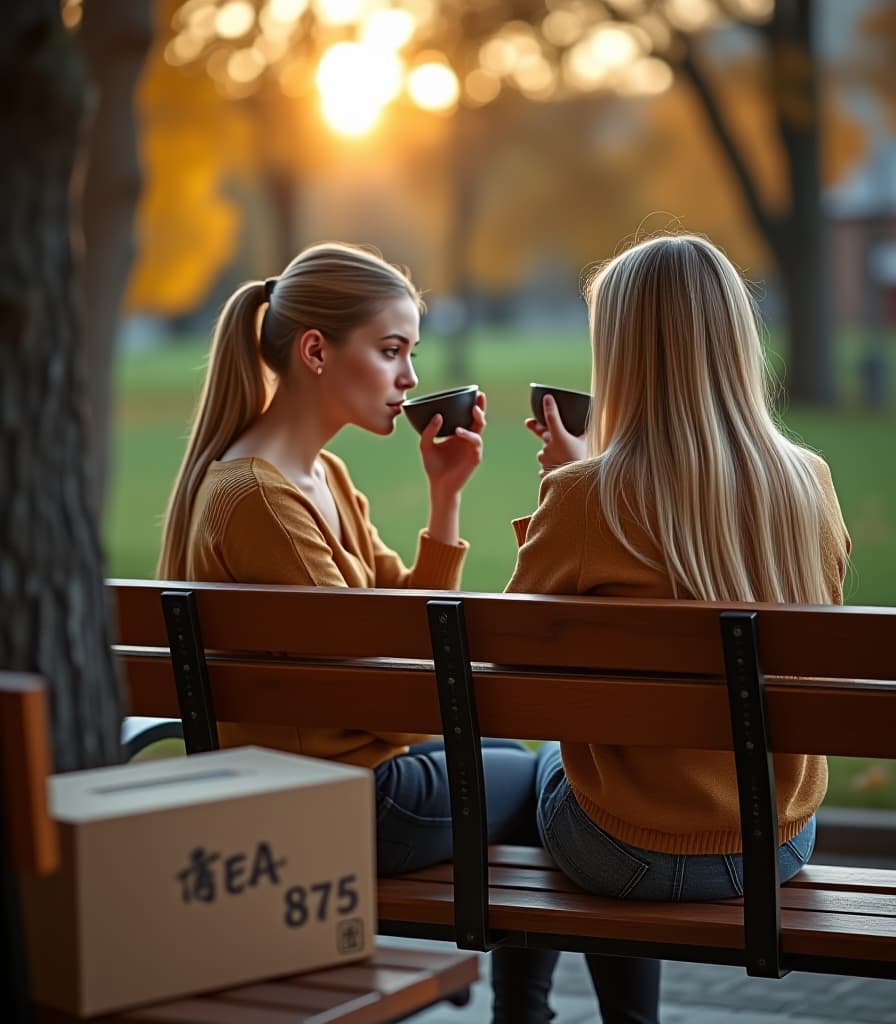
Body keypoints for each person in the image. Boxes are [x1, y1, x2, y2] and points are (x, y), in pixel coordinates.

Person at [157, 241, 598, 1023]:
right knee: (555, 783)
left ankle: (526, 1011)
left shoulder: (319, 475)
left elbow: (400, 622)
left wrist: (445, 499)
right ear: (317, 351)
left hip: (345, 773)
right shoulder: (261, 497)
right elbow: (383, 695)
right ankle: (527, 1016)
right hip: (336, 801)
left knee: (523, 763)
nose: (411, 379)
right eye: (391, 351)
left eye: (412, 353)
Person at [509, 234, 851, 918]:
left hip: (625, 850)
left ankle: (529, 1011)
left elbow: (511, 649)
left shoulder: (588, 496)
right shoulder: (810, 483)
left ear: (621, 353)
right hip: (778, 843)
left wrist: (562, 488)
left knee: (534, 772)